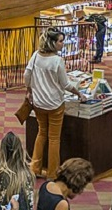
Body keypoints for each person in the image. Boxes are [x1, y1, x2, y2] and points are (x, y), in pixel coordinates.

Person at [26, 27, 82, 179]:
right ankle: (52, 173)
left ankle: (35, 168)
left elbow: (27, 74)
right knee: (54, 138)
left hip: (38, 103)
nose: (63, 44)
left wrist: (30, 90)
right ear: (52, 43)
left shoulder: (36, 56)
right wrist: (78, 93)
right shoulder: (57, 61)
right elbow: (65, 84)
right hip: (55, 104)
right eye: (60, 41)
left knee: (41, 133)